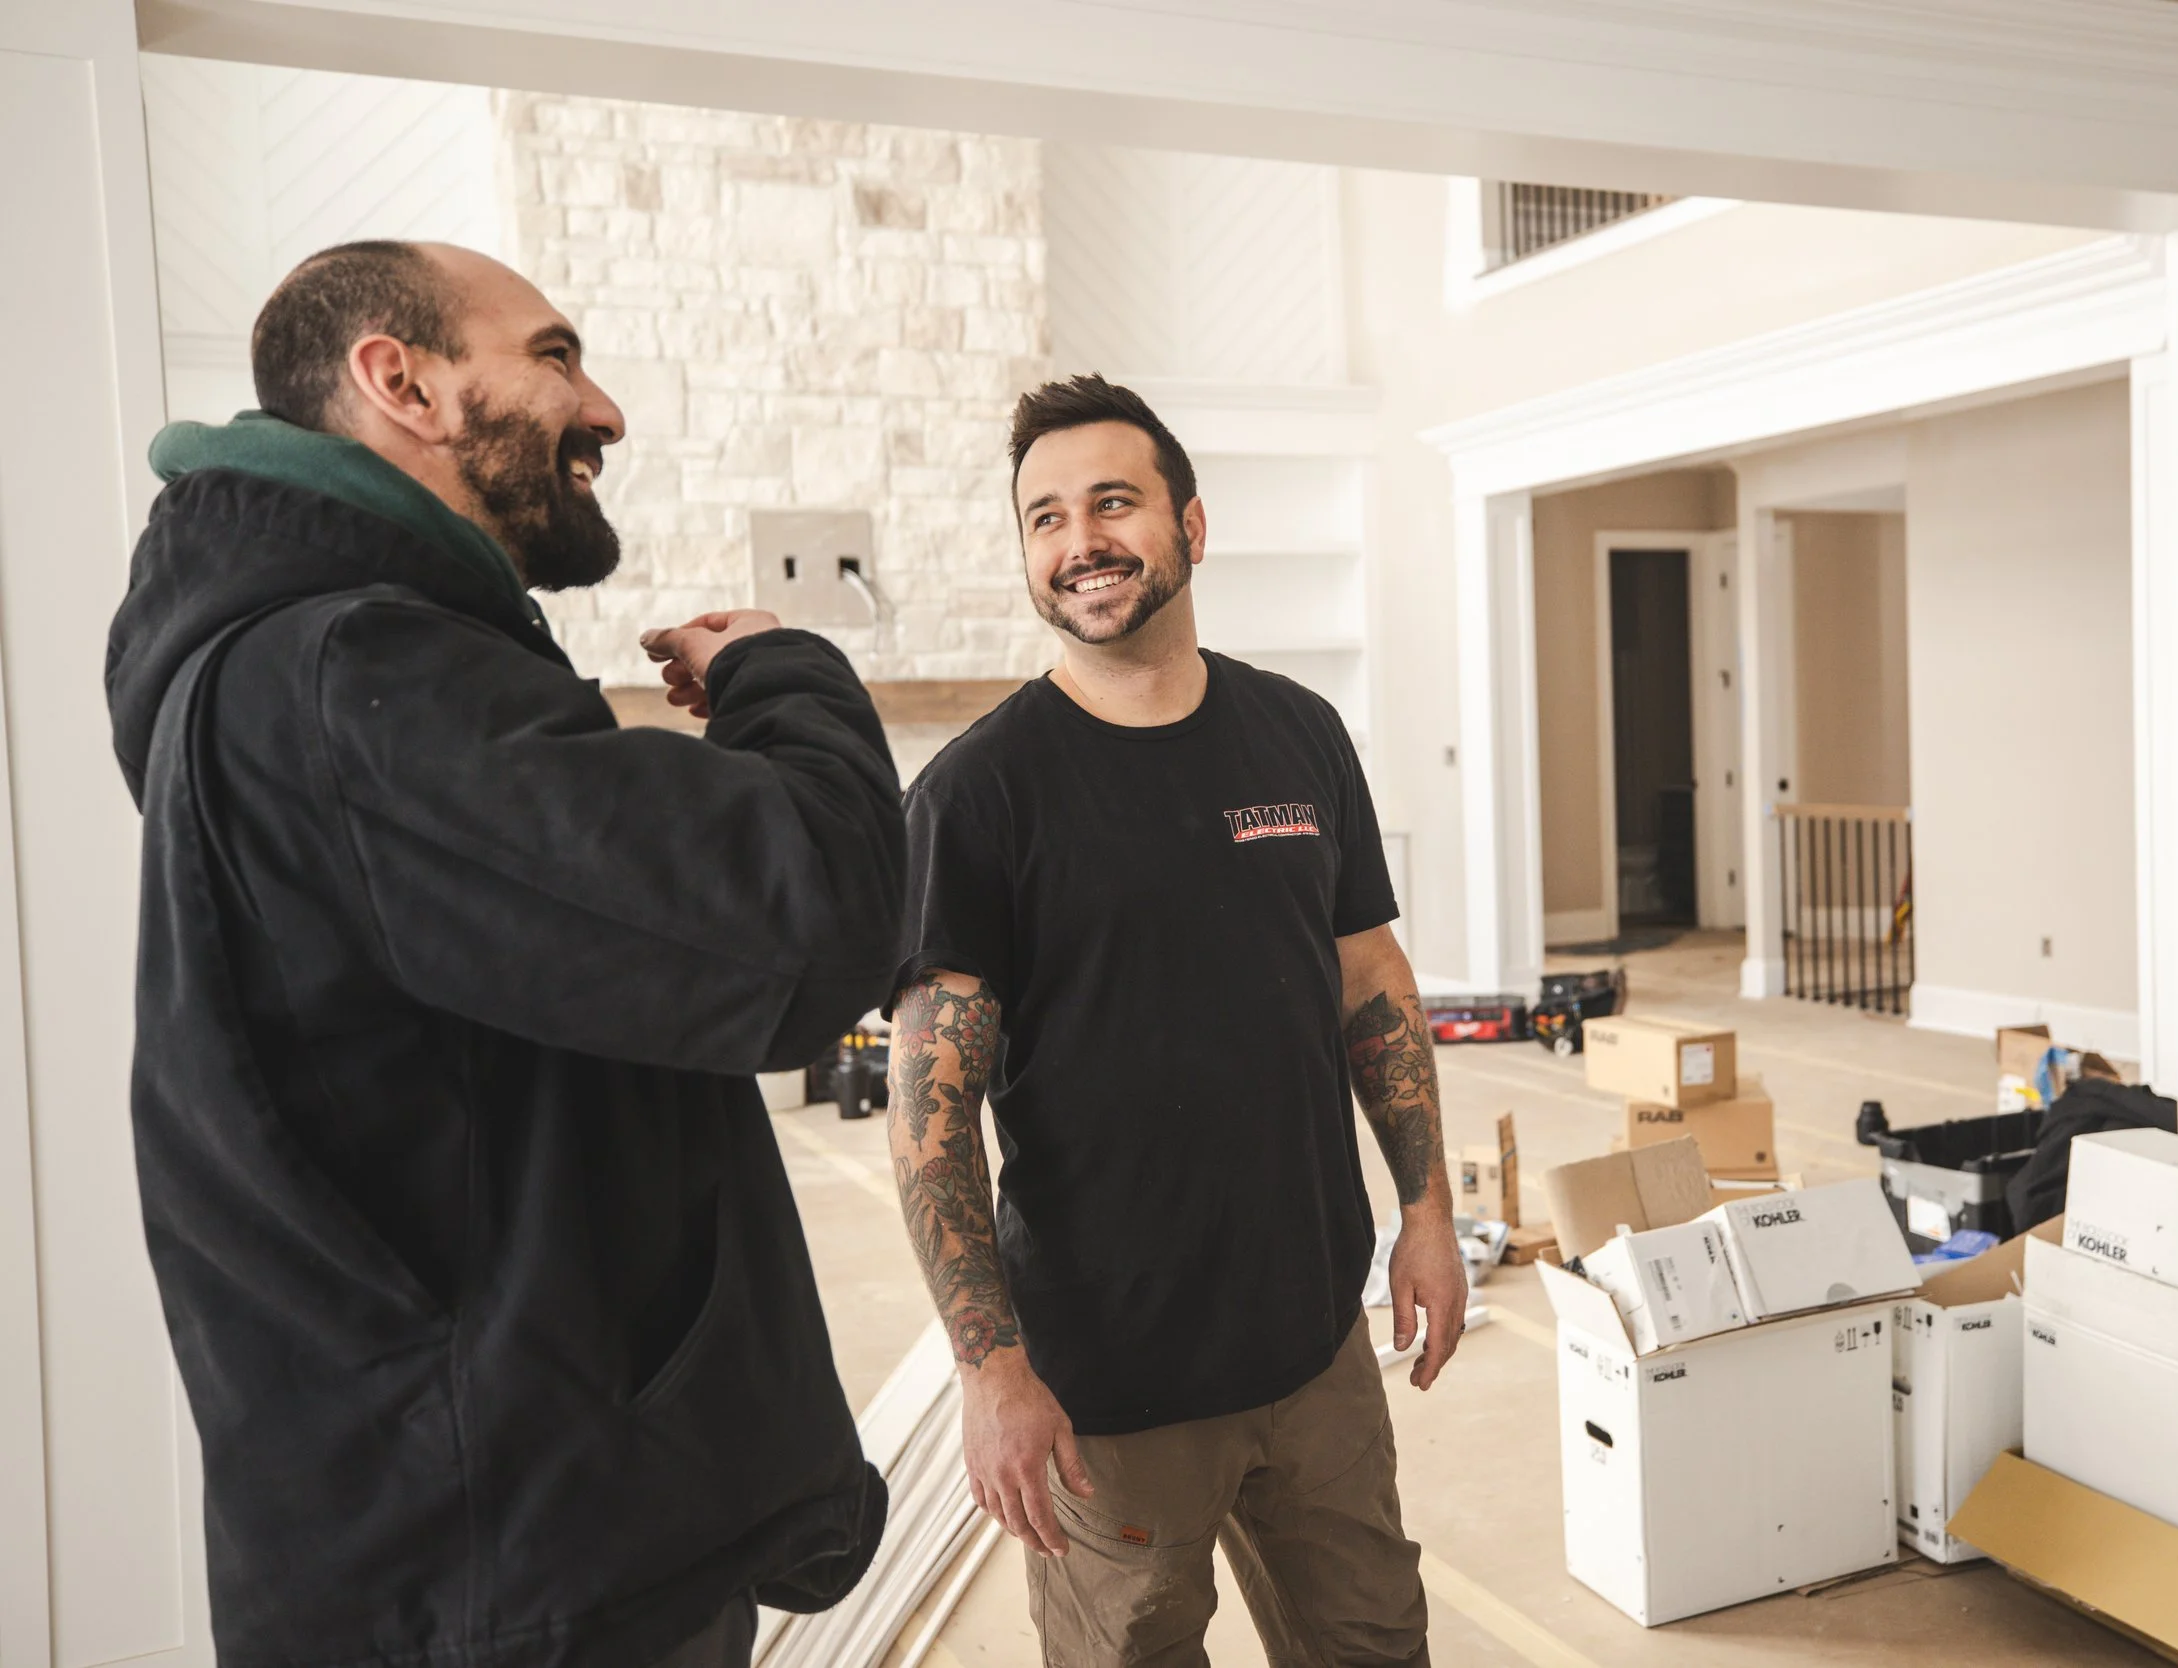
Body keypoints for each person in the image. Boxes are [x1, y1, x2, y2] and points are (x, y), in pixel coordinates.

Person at [103, 241, 904, 1668]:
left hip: (505, 1550)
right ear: (398, 380)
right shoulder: (354, 678)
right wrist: (790, 678)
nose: (601, 408)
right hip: (512, 1588)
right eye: (553, 355)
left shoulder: (318, 670)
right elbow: (805, 922)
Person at [886, 374, 1464, 1665]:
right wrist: (992, 1376)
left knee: (1375, 1642)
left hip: (1314, 1342)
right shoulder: (977, 796)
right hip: (1109, 1386)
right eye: (1044, 517)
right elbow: (931, 1123)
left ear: (1190, 528)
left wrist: (1426, 1212)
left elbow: (1367, 980)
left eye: (1112, 502)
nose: (1079, 539)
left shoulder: (1299, 736)